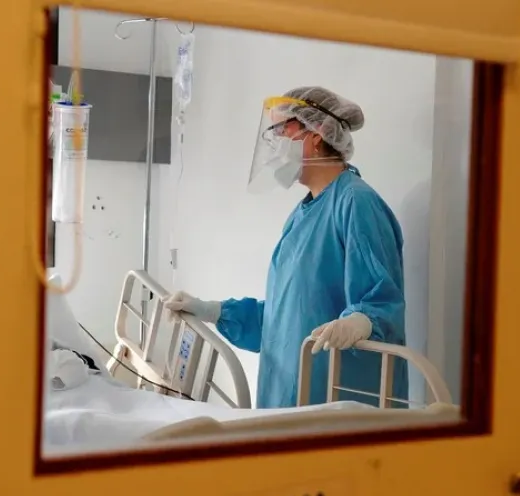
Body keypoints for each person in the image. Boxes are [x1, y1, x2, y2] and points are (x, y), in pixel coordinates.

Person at [166, 86, 408, 409]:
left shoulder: (355, 203)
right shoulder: (300, 216)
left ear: (317, 134)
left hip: (337, 406)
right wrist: (214, 311)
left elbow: (382, 301)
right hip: (287, 400)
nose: (275, 139)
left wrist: (362, 322)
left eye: (283, 129)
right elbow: (285, 317)